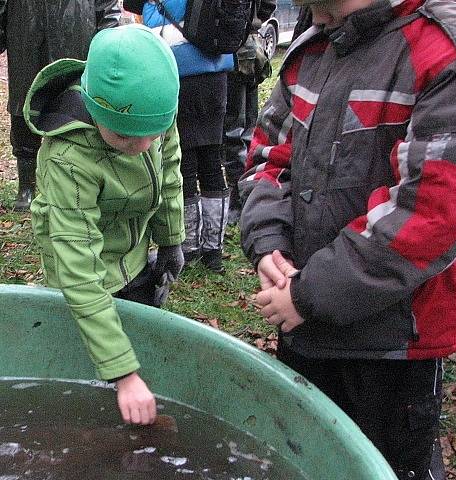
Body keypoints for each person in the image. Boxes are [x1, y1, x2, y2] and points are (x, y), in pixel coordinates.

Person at [239, 0, 456, 479]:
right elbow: (268, 158)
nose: (308, 13)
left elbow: (430, 212)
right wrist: (269, 242)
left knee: (386, 466)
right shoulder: (314, 50)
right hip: (303, 319)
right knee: (305, 460)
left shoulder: (445, 55)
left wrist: (312, 293)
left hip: (392, 346)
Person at [25, 24, 185, 425]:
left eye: (154, 134)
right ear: (97, 111)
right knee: (93, 373)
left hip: (133, 251)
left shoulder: (155, 111)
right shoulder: (67, 158)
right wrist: (123, 373)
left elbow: (168, 173)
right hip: (82, 265)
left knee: (139, 330)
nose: (144, 146)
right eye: (126, 138)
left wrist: (170, 241)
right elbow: (78, 269)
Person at [124, 0, 234, 273]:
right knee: (211, 160)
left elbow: (133, 11)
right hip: (214, 74)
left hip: (175, 73)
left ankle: (189, 244)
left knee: (184, 162)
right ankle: (213, 250)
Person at [0, 0, 121, 212]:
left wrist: (107, 42)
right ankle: (26, 186)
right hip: (27, 38)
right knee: (24, 114)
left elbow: (108, 8)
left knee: (78, 115)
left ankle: (84, 182)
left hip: (76, 36)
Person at [222, 0, 276, 226]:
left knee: (238, 131)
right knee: (245, 130)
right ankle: (243, 196)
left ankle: (239, 200)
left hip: (239, 51)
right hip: (246, 48)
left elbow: (267, 5)